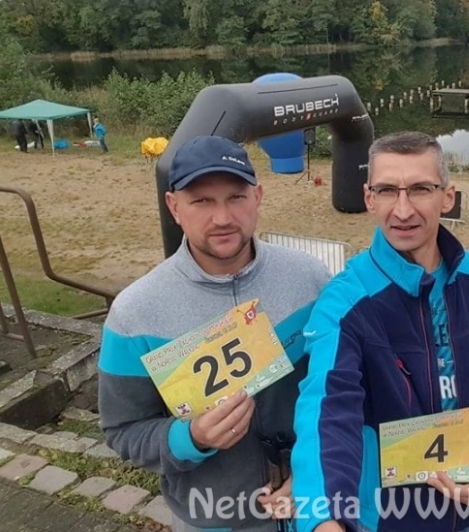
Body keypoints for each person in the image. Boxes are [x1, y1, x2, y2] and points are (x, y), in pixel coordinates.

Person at [292, 131, 469, 532]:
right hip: (390, 520)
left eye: (421, 189)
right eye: (388, 190)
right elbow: (327, 411)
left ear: (448, 196)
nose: (403, 210)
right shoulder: (344, 302)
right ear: (369, 198)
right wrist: (323, 517)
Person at [98, 135, 331, 532]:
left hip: (314, 507)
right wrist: (191, 437)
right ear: (174, 207)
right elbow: (123, 431)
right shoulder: (135, 314)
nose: (222, 218)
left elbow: (342, 392)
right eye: (201, 201)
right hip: (213, 519)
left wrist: (316, 470)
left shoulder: (311, 280)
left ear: (257, 197)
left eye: (235, 197)